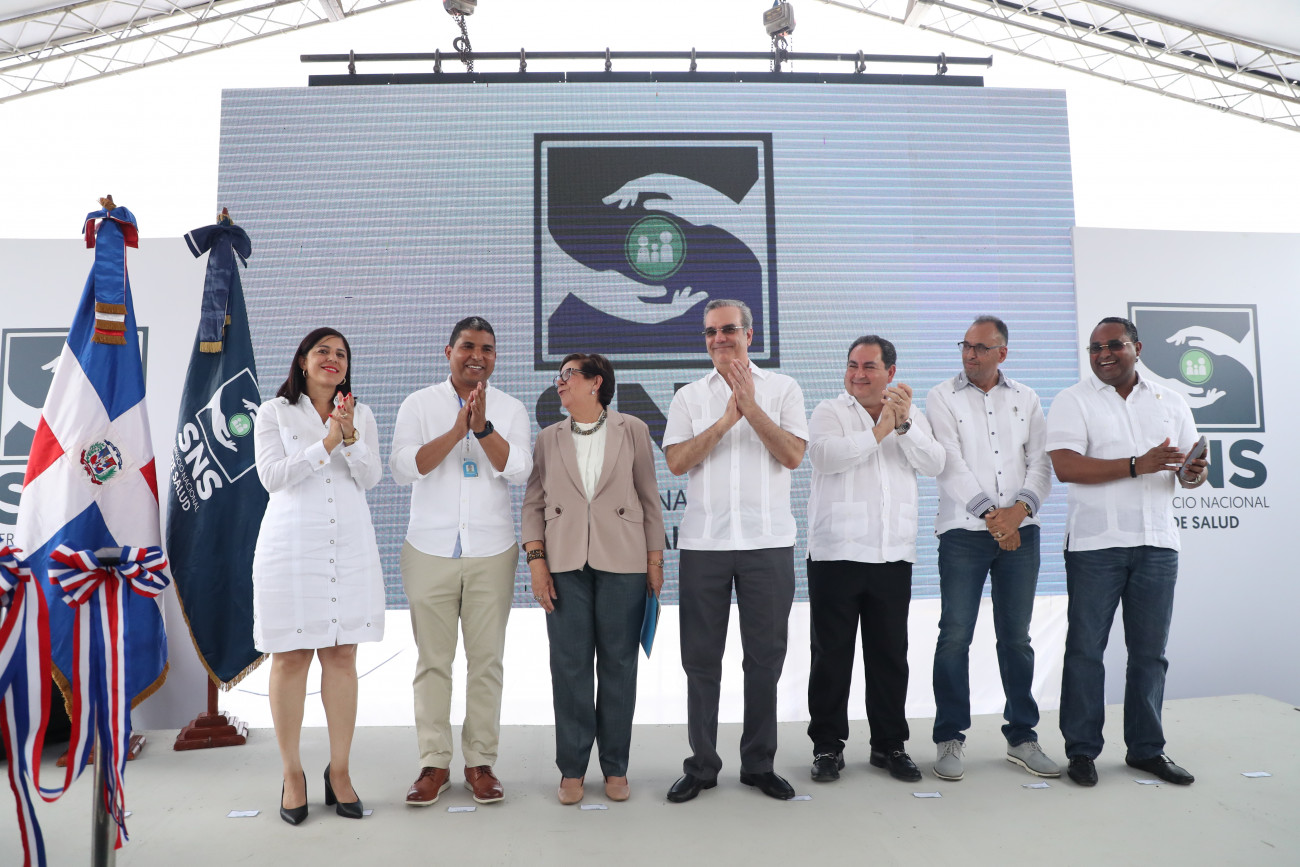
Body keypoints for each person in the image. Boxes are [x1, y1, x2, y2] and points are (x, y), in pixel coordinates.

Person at [1046, 317, 1208, 787]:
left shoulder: (1170, 400)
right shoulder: (1073, 400)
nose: (1102, 354)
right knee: (1085, 652)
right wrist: (1138, 464)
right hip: (1095, 545)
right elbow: (1066, 467)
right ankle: (1081, 752)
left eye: (1113, 345)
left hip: (1157, 543)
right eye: (1094, 347)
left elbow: (1191, 471)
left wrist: (1192, 473)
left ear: (1137, 347)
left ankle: (1146, 750)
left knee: (1150, 654)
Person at [661, 299, 808, 803]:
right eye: (710, 332)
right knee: (701, 661)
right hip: (705, 545)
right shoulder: (689, 396)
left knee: (764, 660)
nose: (718, 339)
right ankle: (702, 766)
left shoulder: (784, 389)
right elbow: (677, 462)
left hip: (768, 545)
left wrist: (751, 407)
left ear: (749, 333)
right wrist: (727, 420)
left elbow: (792, 454)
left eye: (727, 329)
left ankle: (759, 764)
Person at [390, 316, 533, 806]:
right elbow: (404, 468)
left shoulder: (510, 408)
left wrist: (483, 428)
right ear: (447, 352)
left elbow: (519, 471)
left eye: (487, 349)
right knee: (433, 662)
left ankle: (480, 763)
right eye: (468, 346)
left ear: (495, 357)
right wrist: (456, 431)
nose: (477, 356)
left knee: (486, 661)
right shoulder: (419, 404)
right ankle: (434, 763)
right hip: (429, 549)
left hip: (492, 550)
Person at [252, 327, 384, 824]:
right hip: (291, 548)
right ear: (302, 361)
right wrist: (325, 442)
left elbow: (370, 478)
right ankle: (292, 774)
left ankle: (340, 772)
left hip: (347, 546)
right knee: (290, 657)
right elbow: (272, 477)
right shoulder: (275, 412)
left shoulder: (360, 414)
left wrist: (348, 437)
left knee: (342, 654)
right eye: (323, 351)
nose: (333, 359)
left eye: (341, 354)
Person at [522, 353, 665, 805]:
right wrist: (536, 562)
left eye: (568, 374)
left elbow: (649, 497)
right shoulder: (547, 438)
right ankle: (572, 768)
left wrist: (655, 561)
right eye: (559, 375)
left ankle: (615, 766)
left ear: (595, 382)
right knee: (569, 666)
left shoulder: (632, 429)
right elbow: (532, 504)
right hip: (563, 563)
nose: (560, 382)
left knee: (619, 665)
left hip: (624, 560)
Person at [805, 335, 944, 784]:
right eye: (852, 365)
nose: (858, 374)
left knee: (889, 656)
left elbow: (935, 463)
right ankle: (827, 746)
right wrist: (881, 429)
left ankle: (889, 745)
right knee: (831, 657)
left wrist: (903, 426)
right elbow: (825, 458)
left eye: (868, 366)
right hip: (836, 553)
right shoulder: (830, 410)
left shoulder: (910, 414)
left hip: (892, 554)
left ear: (891, 373)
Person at [926, 316, 1059, 781]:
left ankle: (1022, 737)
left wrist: (1018, 513)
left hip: (1022, 531)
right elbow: (949, 463)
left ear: (1002, 353)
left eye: (981, 348)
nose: (970, 354)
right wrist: (993, 516)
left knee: (1016, 638)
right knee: (954, 635)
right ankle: (949, 737)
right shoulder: (942, 396)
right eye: (965, 345)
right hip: (964, 532)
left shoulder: (1027, 398)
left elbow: (1041, 463)